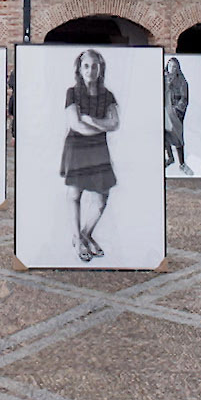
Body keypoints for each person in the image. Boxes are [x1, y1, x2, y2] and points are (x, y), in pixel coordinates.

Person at [62, 49, 120, 262]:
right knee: (75, 193)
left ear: (101, 68)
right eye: (86, 66)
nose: (91, 70)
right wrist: (100, 126)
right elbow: (76, 125)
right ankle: (78, 239)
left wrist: (90, 119)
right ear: (79, 68)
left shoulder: (108, 95)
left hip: (99, 149)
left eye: (95, 66)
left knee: (102, 197)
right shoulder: (72, 93)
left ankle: (85, 234)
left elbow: (115, 123)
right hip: (77, 147)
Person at [163, 58, 191, 175]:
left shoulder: (181, 81)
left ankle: (182, 163)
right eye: (169, 66)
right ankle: (170, 157)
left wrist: (177, 110)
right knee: (164, 135)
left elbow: (184, 98)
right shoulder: (164, 79)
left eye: (174, 67)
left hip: (175, 113)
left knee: (178, 137)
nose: (171, 69)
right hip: (165, 111)